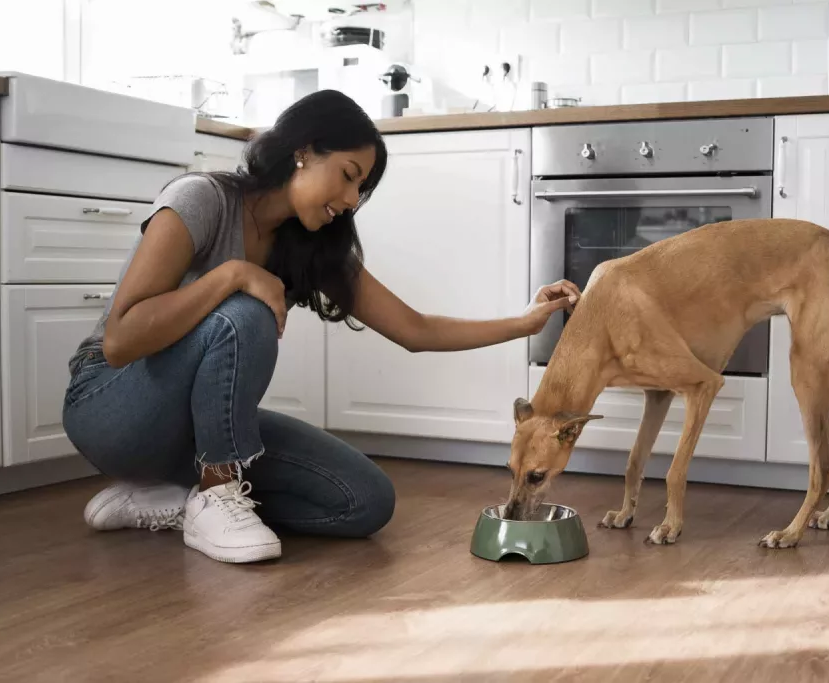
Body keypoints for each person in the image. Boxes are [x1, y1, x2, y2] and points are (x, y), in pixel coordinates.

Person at [62, 90, 580, 565]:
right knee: (245, 310)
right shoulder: (201, 198)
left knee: (365, 501)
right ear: (303, 151)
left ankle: (177, 498)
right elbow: (120, 339)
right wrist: (232, 274)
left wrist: (525, 322)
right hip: (110, 408)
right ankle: (217, 492)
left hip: (194, 429)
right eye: (350, 175)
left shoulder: (314, 243)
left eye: (362, 187)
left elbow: (415, 329)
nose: (353, 199)